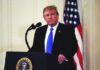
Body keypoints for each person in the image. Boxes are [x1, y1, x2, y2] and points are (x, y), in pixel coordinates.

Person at [29, 5, 78, 70]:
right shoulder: (39, 31)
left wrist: (65, 55)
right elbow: (35, 47)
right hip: (44, 66)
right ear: (44, 18)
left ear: (57, 15)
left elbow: (73, 46)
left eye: (52, 14)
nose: (50, 17)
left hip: (62, 66)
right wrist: (25, 56)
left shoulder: (67, 29)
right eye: (47, 15)